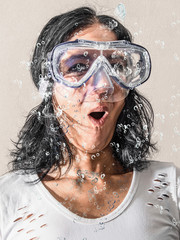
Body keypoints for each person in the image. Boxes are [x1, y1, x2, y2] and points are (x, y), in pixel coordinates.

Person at [0, 6, 179, 240]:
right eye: (77, 67)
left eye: (116, 67)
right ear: (48, 87)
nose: (104, 85)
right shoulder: (9, 198)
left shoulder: (168, 187)